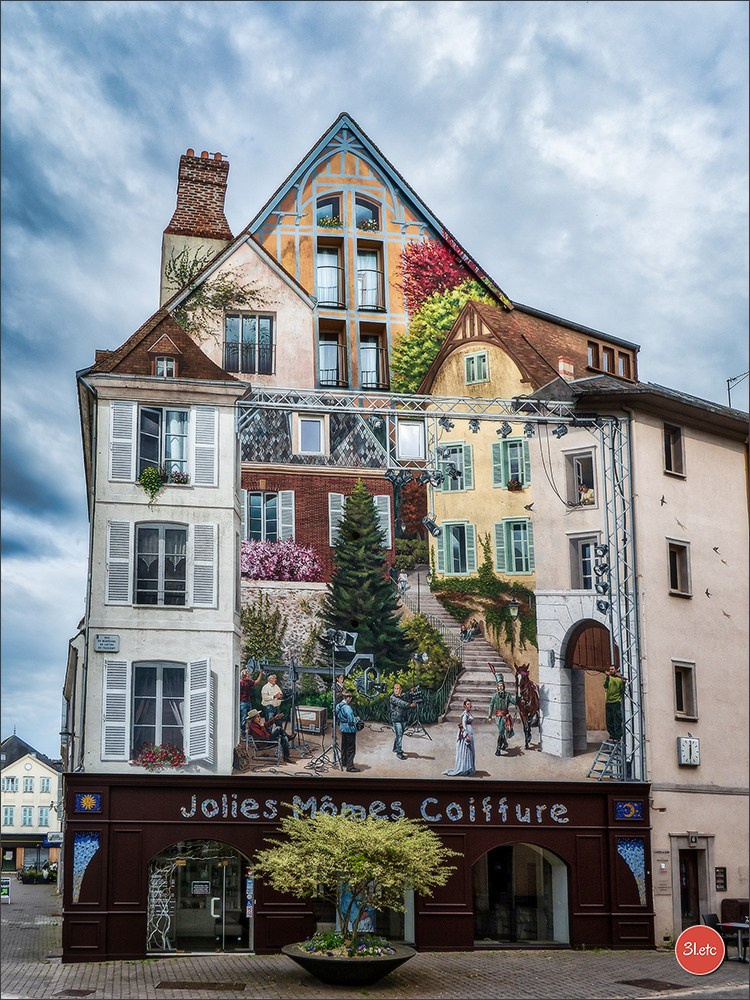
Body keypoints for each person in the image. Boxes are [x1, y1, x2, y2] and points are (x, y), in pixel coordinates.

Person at [443, 699, 476, 775]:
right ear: (465, 706)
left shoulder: (469, 713)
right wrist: (466, 735)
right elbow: (464, 725)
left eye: (470, 704)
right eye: (468, 704)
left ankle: (469, 768)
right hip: (466, 733)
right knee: (465, 750)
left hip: (470, 732)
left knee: (469, 751)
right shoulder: (465, 715)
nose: (470, 705)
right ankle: (463, 768)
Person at [487, 679, 517, 756]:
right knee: (502, 731)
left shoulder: (507, 695)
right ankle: (505, 743)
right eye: (499, 686)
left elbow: (514, 702)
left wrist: (518, 696)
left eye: (502, 686)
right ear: (497, 687)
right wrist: (490, 716)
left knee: (501, 732)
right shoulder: (495, 696)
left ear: (504, 687)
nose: (500, 687)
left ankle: (498, 749)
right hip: (498, 717)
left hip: (505, 717)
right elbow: (491, 705)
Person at [389, 682, 417, 760]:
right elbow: (400, 703)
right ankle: (399, 752)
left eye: (398, 689)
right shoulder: (392, 697)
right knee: (399, 736)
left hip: (403, 718)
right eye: (395, 688)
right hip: (396, 719)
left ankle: (395, 748)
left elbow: (407, 695)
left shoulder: (402, 695)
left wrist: (411, 691)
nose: (396, 690)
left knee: (399, 734)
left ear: (401, 690)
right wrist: (410, 705)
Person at [334, 691, 360, 772]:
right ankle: (350, 766)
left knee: (344, 746)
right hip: (350, 729)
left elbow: (337, 716)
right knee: (351, 748)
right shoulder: (347, 708)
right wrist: (357, 719)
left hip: (343, 728)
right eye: (350, 698)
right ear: (348, 698)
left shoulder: (338, 706)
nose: (350, 700)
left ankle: (344, 762)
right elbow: (351, 721)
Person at [239, 665, 264, 736]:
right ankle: (243, 733)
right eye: (247, 674)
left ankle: (251, 732)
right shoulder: (241, 683)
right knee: (243, 718)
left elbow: (256, 682)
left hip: (248, 701)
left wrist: (260, 674)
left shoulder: (248, 682)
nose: (249, 675)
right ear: (244, 675)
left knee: (252, 717)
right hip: (242, 702)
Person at [604, 666, 627, 741]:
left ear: (616, 670)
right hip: (608, 701)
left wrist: (623, 683)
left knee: (617, 719)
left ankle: (617, 736)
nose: (610, 670)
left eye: (612, 669)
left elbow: (622, 690)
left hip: (616, 701)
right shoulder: (608, 678)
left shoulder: (619, 679)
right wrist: (607, 678)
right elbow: (605, 686)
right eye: (610, 669)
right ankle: (612, 735)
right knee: (609, 720)